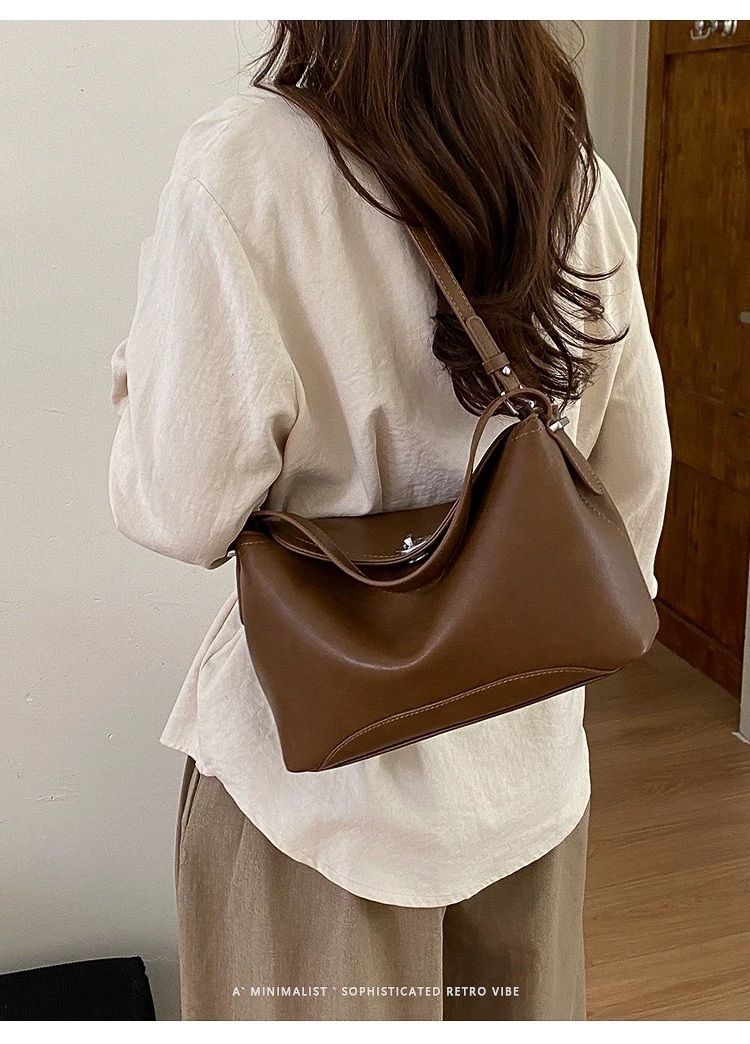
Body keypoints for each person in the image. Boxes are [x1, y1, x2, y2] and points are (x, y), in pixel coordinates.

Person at [108, 21, 671, 1021]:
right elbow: (632, 476)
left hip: (321, 801)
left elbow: (180, 508)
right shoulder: (574, 175)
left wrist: (138, 374)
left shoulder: (247, 161)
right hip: (526, 780)